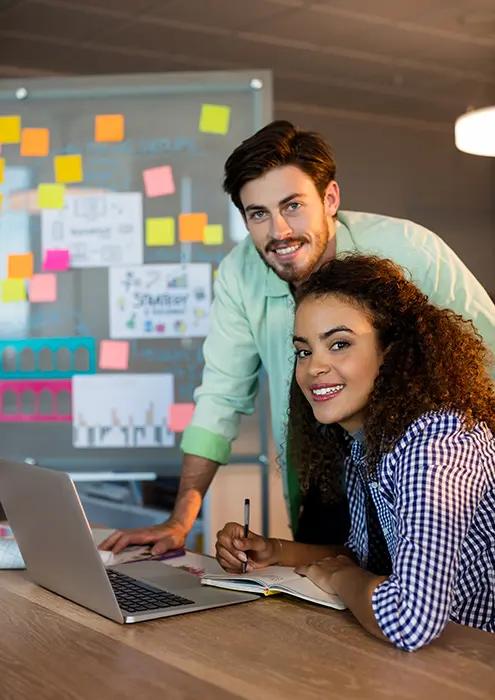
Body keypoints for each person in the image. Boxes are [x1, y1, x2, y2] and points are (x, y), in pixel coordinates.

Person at [100, 120, 495, 556]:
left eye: (292, 206)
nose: (279, 232)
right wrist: (180, 521)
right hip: (325, 464)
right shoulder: (239, 273)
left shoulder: (409, 249)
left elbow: (486, 359)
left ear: (329, 199)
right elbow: (220, 396)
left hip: (425, 465)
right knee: (317, 591)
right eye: (258, 214)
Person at [215, 254, 495, 651]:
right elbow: (368, 560)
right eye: (304, 351)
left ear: (392, 352)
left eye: (339, 344)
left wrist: (340, 579)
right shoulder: (369, 440)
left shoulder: (436, 446)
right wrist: (276, 552)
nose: (314, 368)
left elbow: (409, 620)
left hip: (473, 667)